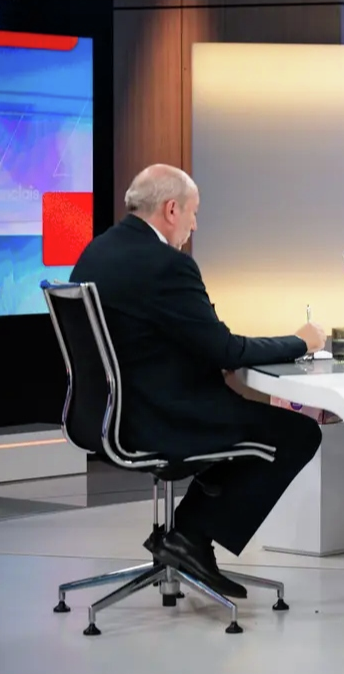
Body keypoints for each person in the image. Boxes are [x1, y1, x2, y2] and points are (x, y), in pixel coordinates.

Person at [71, 164, 327, 599]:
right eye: (194, 213)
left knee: (250, 425)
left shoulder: (97, 251)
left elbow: (151, 337)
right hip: (159, 418)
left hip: (105, 416)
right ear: (172, 209)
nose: (194, 225)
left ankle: (188, 537)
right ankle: (190, 535)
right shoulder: (167, 265)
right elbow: (225, 349)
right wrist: (301, 342)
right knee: (298, 433)